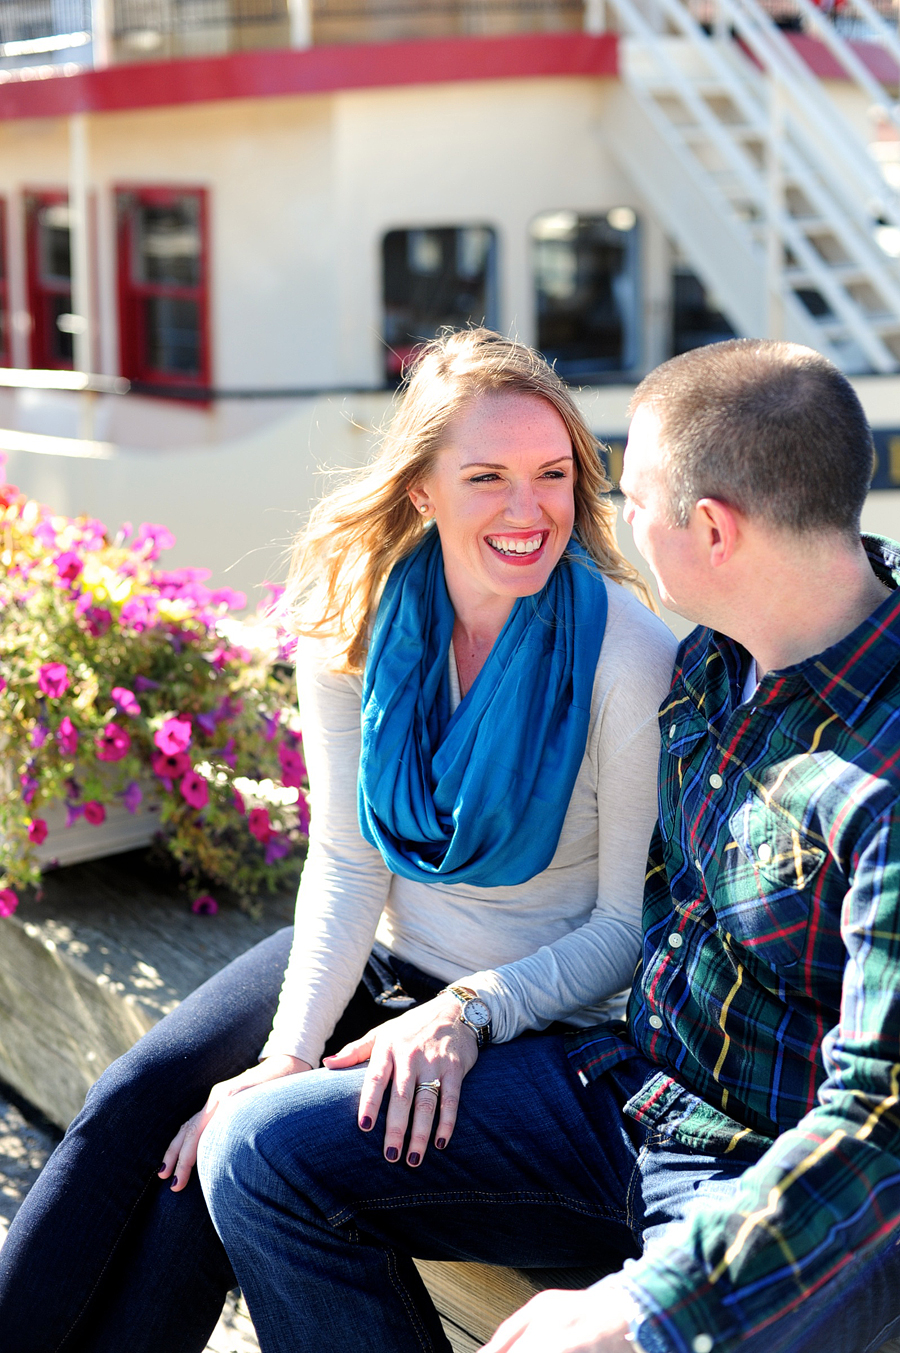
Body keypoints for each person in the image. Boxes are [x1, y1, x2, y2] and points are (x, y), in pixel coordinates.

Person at [199, 337, 900, 1353]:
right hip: (625, 1091)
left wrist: (643, 1309)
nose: (603, 522)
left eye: (629, 494)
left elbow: (881, 1132)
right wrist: (467, 1012)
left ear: (709, 528)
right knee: (259, 1155)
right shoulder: (713, 665)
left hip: (763, 1172)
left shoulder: (874, 772)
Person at [0, 328, 677, 1353]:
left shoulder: (628, 650)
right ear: (422, 493)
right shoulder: (356, 623)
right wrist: (289, 1053)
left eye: (552, 475)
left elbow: (623, 932)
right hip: (387, 947)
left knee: (216, 1162)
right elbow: (353, 860)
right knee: (134, 1104)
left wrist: (464, 1010)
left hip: (533, 1016)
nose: (527, 510)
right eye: (485, 476)